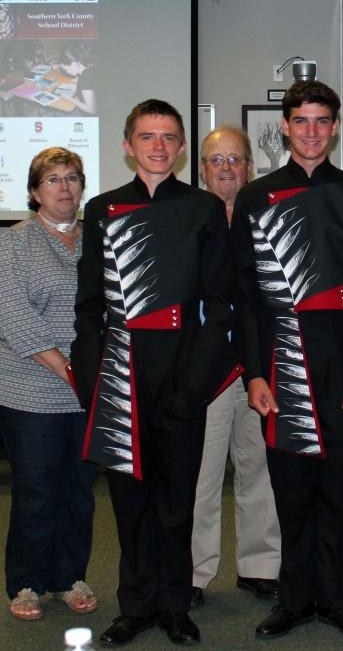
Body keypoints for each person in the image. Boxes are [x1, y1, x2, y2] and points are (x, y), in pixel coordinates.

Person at [231, 80, 343, 640]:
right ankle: (295, 598)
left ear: (336, 127)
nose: (312, 131)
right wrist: (253, 372)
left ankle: (335, 597)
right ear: (285, 127)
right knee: (291, 486)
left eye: (323, 121)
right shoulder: (257, 197)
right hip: (279, 360)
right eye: (302, 121)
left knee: (338, 482)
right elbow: (246, 296)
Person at [71, 99, 235, 647]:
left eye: (169, 137)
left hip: (183, 373)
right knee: (129, 498)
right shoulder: (101, 210)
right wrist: (97, 382)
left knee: (177, 499)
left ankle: (174, 604)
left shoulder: (204, 209)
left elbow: (220, 305)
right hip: (120, 376)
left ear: (183, 146)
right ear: (128, 144)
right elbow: (89, 307)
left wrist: (196, 385)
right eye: (147, 137)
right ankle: (135, 606)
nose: (159, 146)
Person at [0, 147, 96, 621]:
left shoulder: (93, 241)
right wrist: (69, 370)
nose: (65, 187)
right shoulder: (13, 243)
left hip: (88, 390)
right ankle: (26, 582)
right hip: (31, 389)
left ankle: (68, 576)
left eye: (73, 178)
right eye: (53, 179)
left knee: (80, 487)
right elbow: (13, 316)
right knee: (37, 488)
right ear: (35, 191)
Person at [190, 126, 281, 607]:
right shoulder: (188, 220)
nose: (226, 168)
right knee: (201, 474)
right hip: (205, 369)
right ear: (202, 169)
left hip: (259, 368)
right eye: (216, 159)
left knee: (260, 467)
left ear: (250, 166)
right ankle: (195, 572)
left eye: (235, 159)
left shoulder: (265, 219)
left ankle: (260, 566)